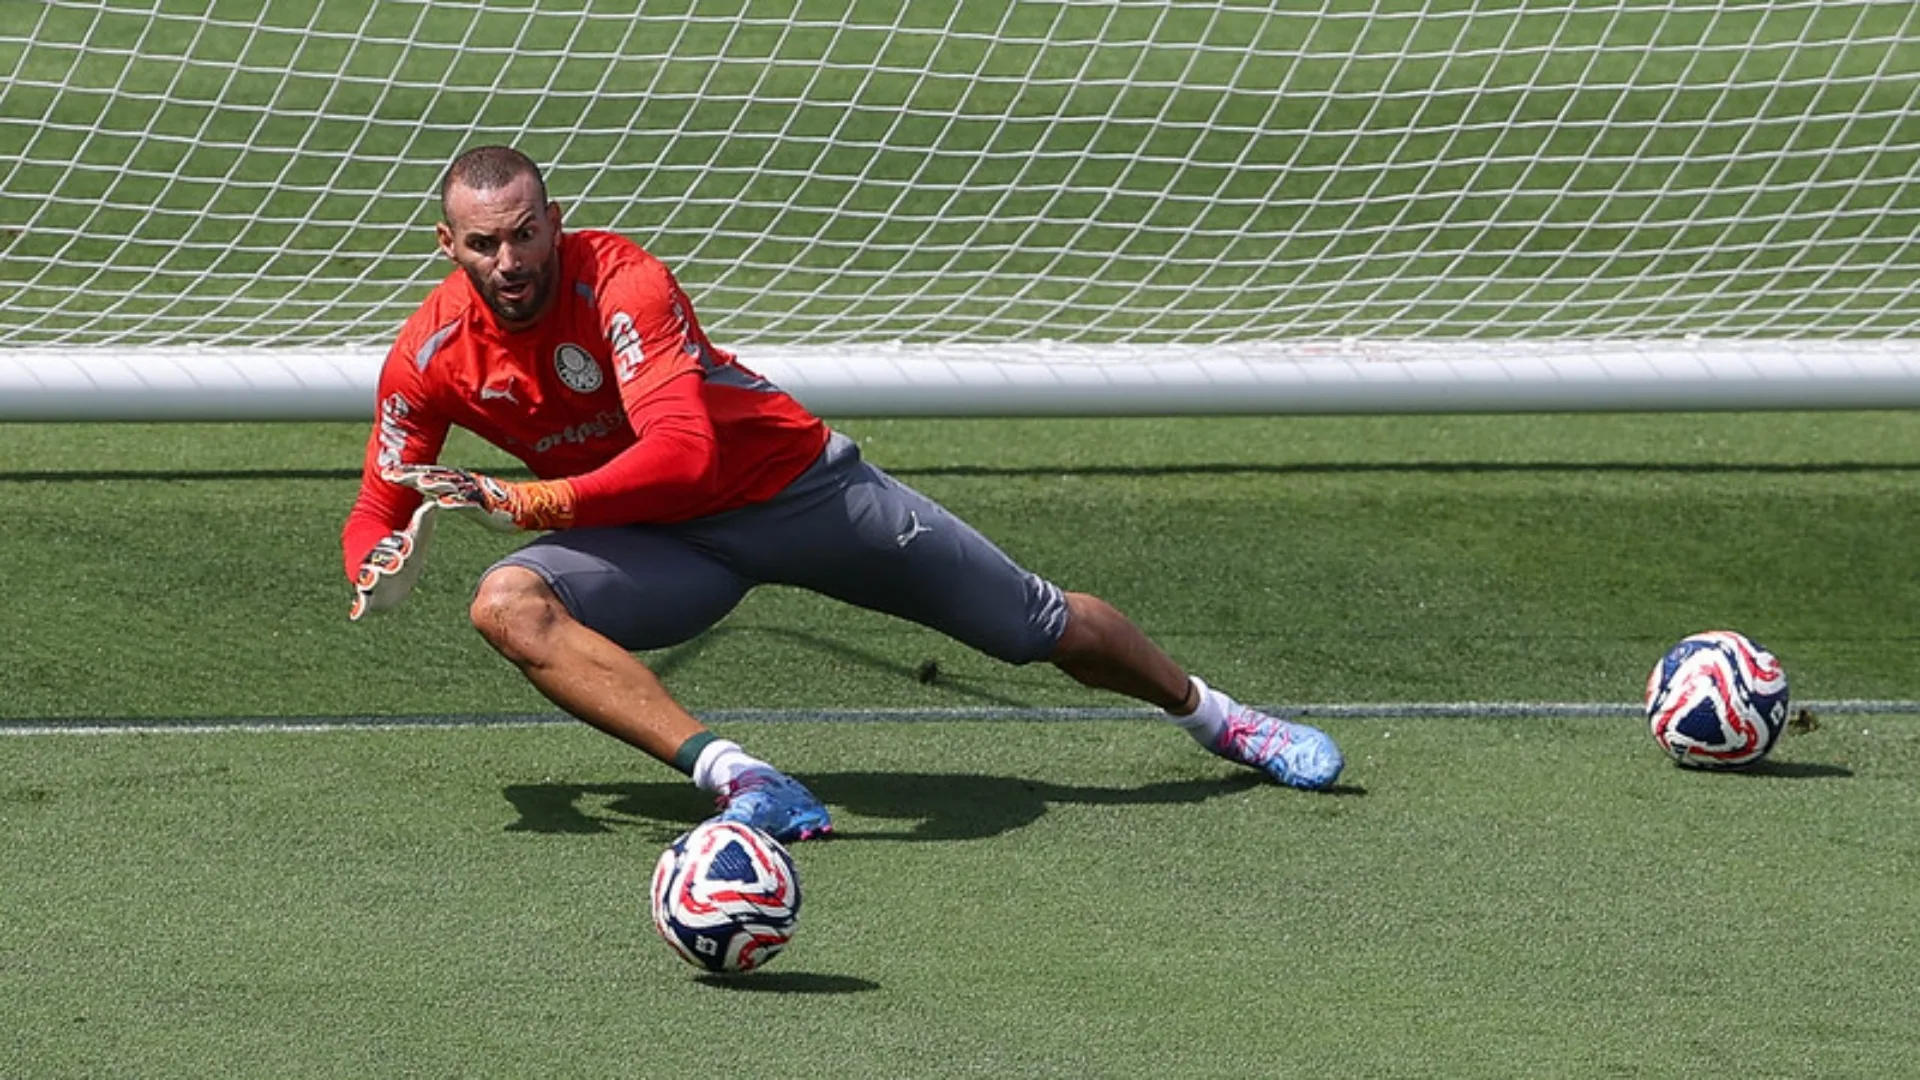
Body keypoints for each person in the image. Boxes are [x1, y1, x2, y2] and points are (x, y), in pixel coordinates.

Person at [342, 146, 1343, 842]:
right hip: (663, 550)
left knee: (1034, 624)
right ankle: (747, 782)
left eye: (524, 236)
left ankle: (1220, 718)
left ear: (555, 221)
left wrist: (524, 502)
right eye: (484, 246)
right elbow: (378, 505)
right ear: (447, 244)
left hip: (797, 494)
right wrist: (373, 572)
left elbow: (685, 456)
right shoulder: (428, 354)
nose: (509, 263)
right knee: (505, 606)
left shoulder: (623, 282)